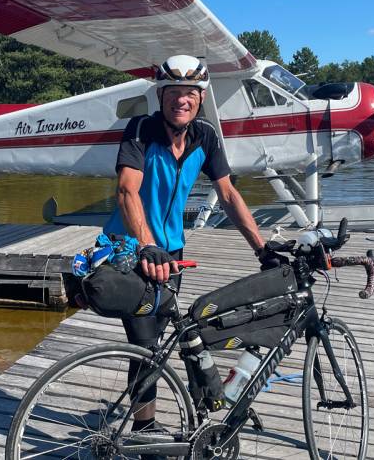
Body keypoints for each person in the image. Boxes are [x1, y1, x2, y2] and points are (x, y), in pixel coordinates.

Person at [102, 54, 282, 441]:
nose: (181, 101)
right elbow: (126, 191)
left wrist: (262, 249)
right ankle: (143, 428)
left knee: (160, 342)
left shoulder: (205, 137)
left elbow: (229, 194)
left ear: (200, 99)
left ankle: (146, 421)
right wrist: (146, 246)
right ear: (160, 96)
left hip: (173, 257)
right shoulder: (140, 130)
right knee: (145, 343)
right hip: (130, 252)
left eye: (190, 93)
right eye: (172, 93)